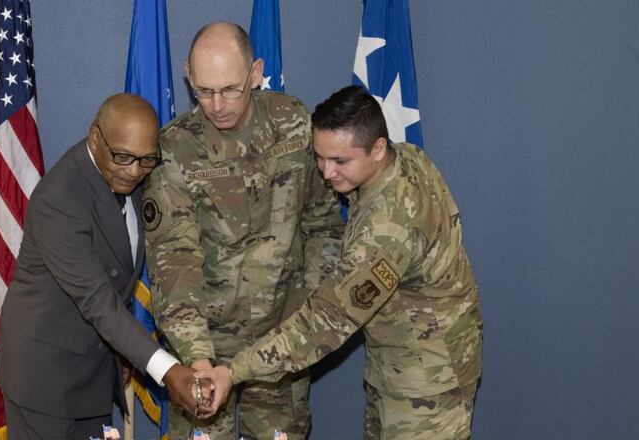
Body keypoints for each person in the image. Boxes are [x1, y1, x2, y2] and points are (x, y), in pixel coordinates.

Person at [198, 85, 484, 440]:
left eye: (340, 161)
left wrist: (233, 370)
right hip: (403, 365)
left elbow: (324, 323)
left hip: (426, 385)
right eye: (319, 157)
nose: (326, 172)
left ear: (378, 148)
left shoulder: (387, 228)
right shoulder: (407, 156)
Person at [142, 22, 345, 439]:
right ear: (187, 75)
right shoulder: (175, 150)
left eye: (231, 89)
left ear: (255, 73)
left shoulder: (293, 124)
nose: (217, 105)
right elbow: (174, 264)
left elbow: (323, 225)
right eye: (203, 90)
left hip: (280, 347)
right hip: (205, 347)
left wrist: (303, 313)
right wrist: (198, 360)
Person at [0, 94, 210, 440]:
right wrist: (168, 371)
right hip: (44, 378)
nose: (134, 171)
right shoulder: (60, 198)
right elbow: (96, 299)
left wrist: (123, 351)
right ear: (95, 137)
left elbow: (121, 275)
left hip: (94, 371)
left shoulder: (135, 178)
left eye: (145, 160)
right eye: (123, 157)